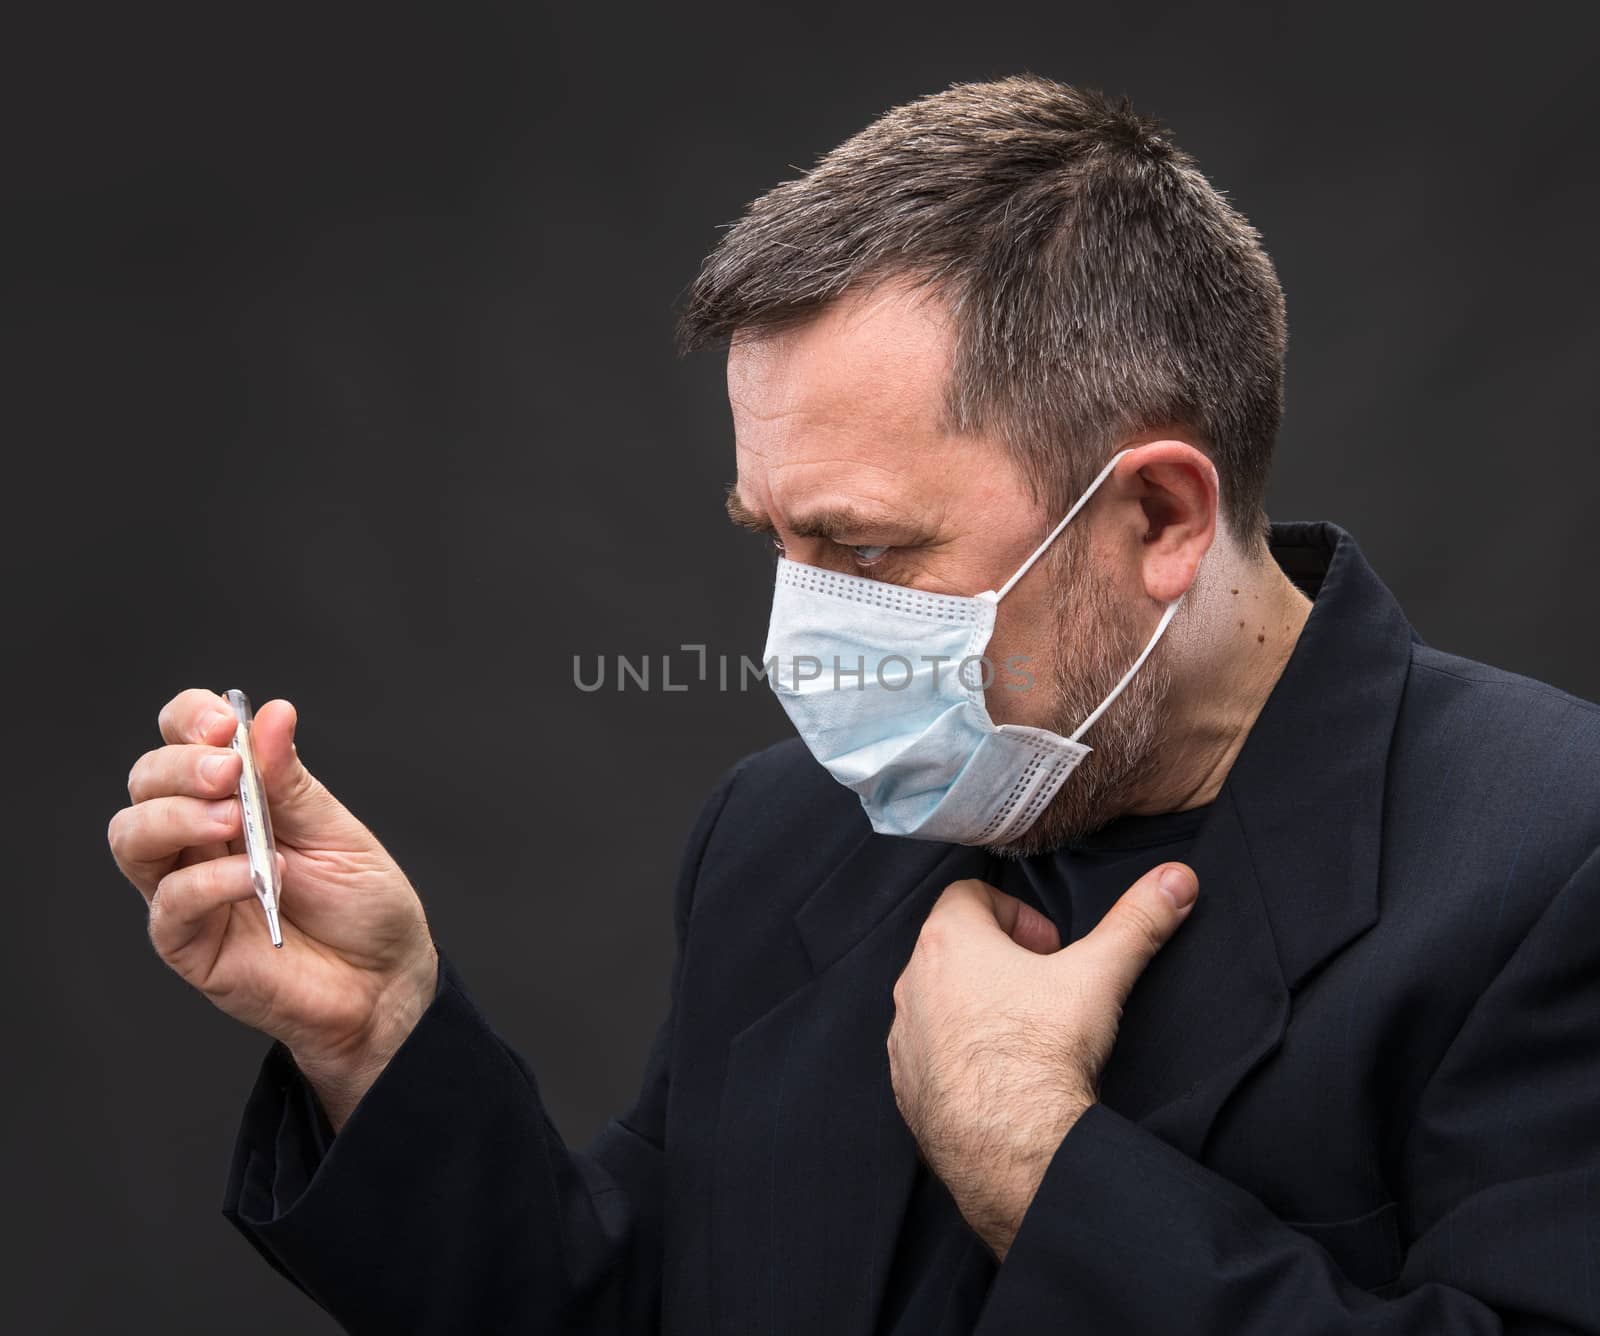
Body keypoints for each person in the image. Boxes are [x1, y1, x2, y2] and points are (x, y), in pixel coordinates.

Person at [107, 75, 1600, 1335]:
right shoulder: (782, 835)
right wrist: (377, 1040)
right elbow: (625, 1303)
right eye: (779, 544)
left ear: (1157, 517)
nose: (802, 636)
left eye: (871, 552)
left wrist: (1036, 1159)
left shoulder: (1550, 862)